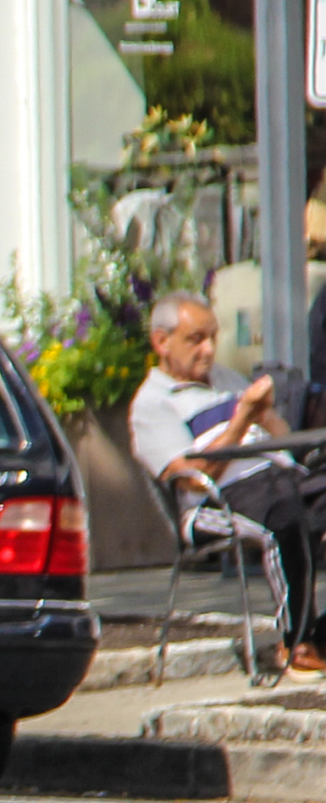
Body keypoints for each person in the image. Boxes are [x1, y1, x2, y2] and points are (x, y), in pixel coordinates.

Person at [130, 289, 326, 674]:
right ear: (161, 342)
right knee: (284, 519)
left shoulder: (225, 380)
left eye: (212, 338)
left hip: (279, 475)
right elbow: (189, 479)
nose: (208, 350)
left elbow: (283, 441)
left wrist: (265, 415)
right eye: (196, 339)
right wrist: (241, 420)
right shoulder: (151, 404)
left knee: (300, 502)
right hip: (217, 500)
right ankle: (297, 642)